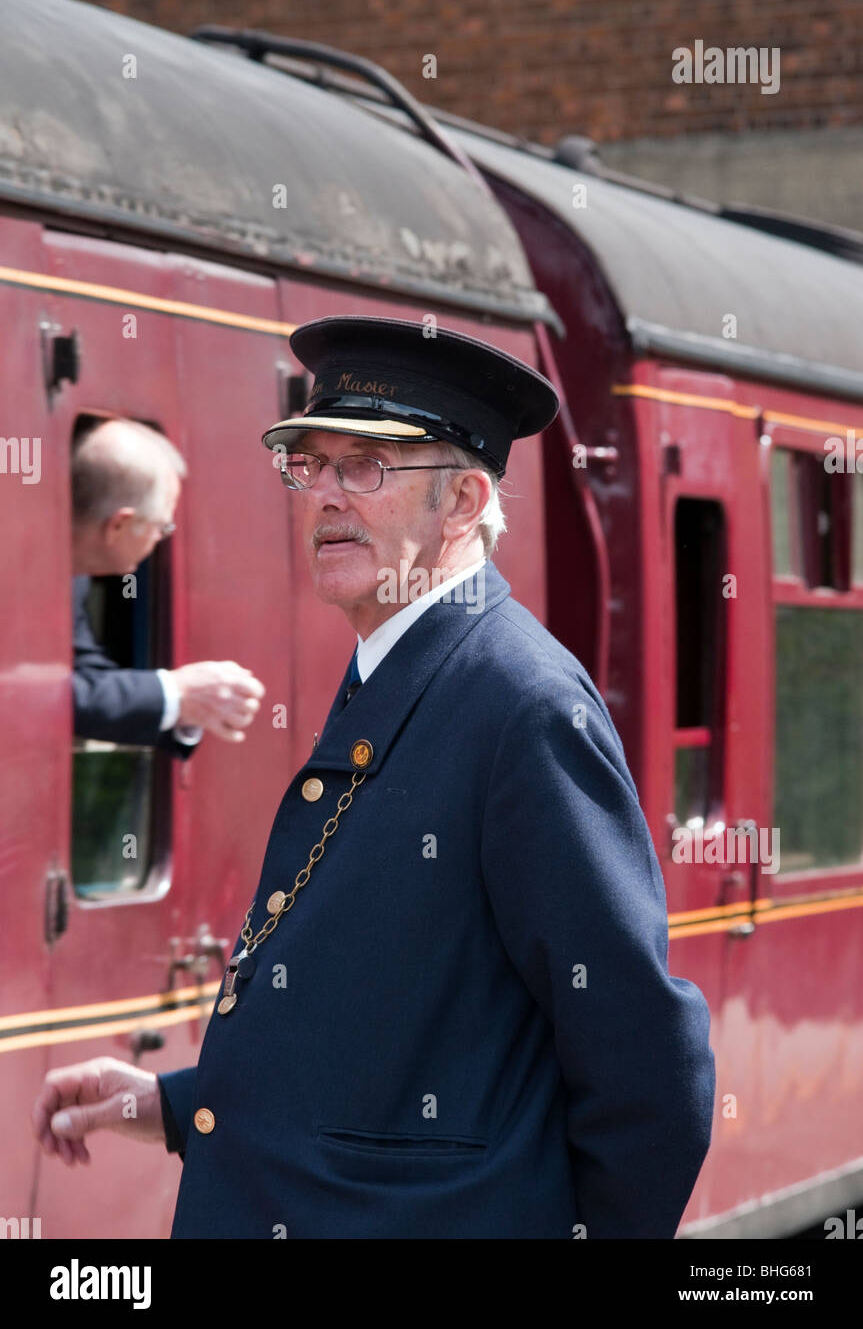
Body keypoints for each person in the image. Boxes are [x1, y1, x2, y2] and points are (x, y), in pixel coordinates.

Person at [34, 317, 715, 1239]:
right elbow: (390, 1020)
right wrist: (177, 1103)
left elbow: (643, 1060)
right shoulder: (400, 671)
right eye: (308, 464)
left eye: (367, 467)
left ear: (466, 502)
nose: (323, 496)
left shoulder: (522, 704)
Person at [71, 418, 264, 753]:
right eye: (162, 526)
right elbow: (33, 696)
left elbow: (84, 680)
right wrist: (177, 693)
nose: (161, 538)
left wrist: (189, 709)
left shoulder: (77, 580)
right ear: (120, 525)